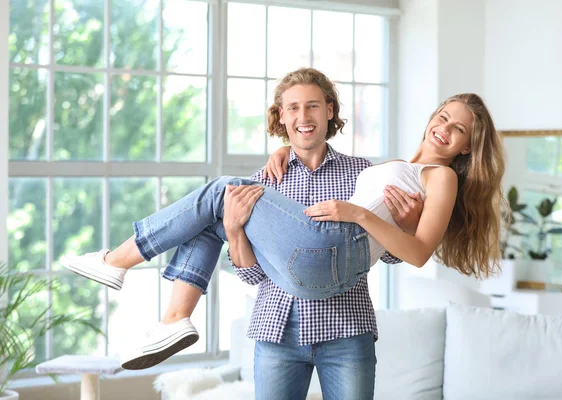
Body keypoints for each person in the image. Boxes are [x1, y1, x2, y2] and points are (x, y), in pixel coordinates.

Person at [61, 68, 504, 398]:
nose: (444, 128)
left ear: (330, 112)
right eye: (292, 108)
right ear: (282, 118)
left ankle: (120, 263)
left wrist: (372, 218)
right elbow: (255, 276)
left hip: (343, 319)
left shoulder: (364, 170)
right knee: (217, 214)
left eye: (458, 128)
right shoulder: (270, 177)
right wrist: (235, 232)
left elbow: (398, 253)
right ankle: (173, 320)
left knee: (220, 190)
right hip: (279, 325)